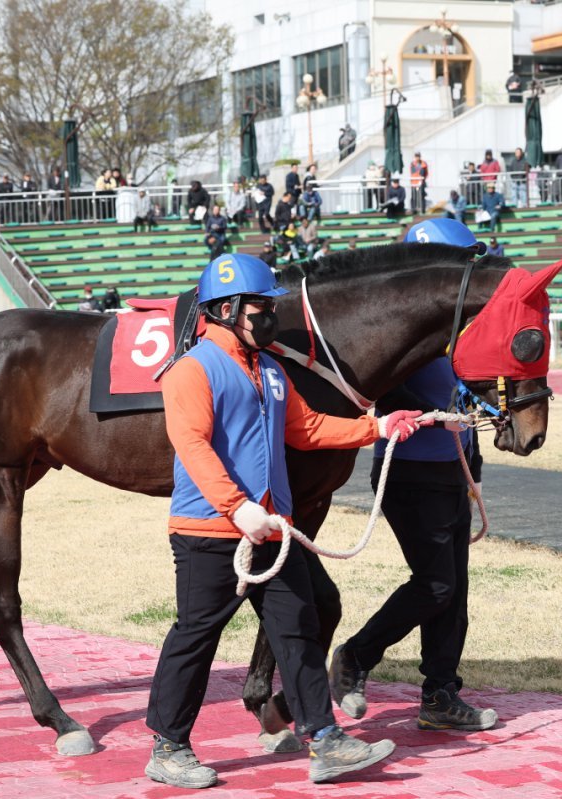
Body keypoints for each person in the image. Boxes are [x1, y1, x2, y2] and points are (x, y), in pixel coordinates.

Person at [147, 254, 420, 788]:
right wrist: (236, 507)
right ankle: (168, 747)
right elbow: (192, 445)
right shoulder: (191, 370)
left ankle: (325, 739)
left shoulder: (271, 370)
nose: (271, 317)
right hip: (209, 534)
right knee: (196, 636)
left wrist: (377, 427)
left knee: (297, 632)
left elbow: (308, 428)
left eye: (270, 306)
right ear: (225, 310)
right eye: (260, 308)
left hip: (273, 530)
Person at [330, 218, 497, 738]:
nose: (472, 270)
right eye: (464, 261)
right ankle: (355, 656)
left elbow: (463, 397)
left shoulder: (456, 329)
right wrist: (435, 415)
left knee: (455, 591)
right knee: (436, 584)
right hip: (409, 472)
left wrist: (473, 468)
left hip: (451, 470)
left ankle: (441, 694)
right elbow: (381, 391)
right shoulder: (398, 326)